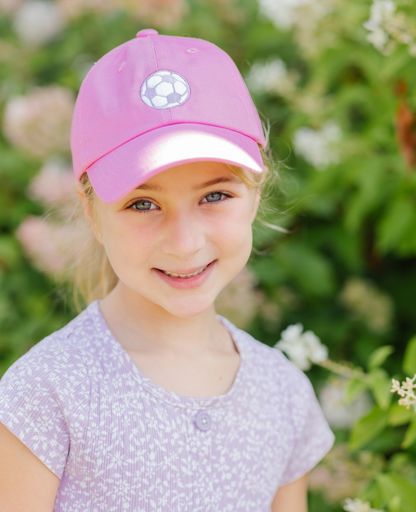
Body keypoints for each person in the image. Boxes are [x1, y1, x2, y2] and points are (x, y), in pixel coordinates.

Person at [0, 29, 334, 512]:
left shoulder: (282, 394)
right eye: (143, 203)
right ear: (92, 213)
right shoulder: (47, 393)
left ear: (257, 192)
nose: (184, 241)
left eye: (214, 195)